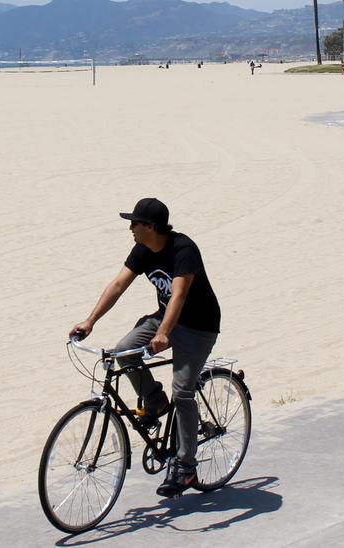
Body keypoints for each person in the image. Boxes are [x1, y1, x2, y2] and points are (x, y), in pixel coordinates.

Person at [69, 198, 221, 498]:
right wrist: (90, 321)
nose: (130, 228)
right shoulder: (143, 249)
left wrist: (164, 333)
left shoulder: (183, 250)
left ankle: (186, 467)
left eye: (135, 223)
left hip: (198, 326)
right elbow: (117, 285)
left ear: (151, 226)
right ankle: (155, 402)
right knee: (124, 352)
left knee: (184, 391)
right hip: (164, 320)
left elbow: (178, 295)